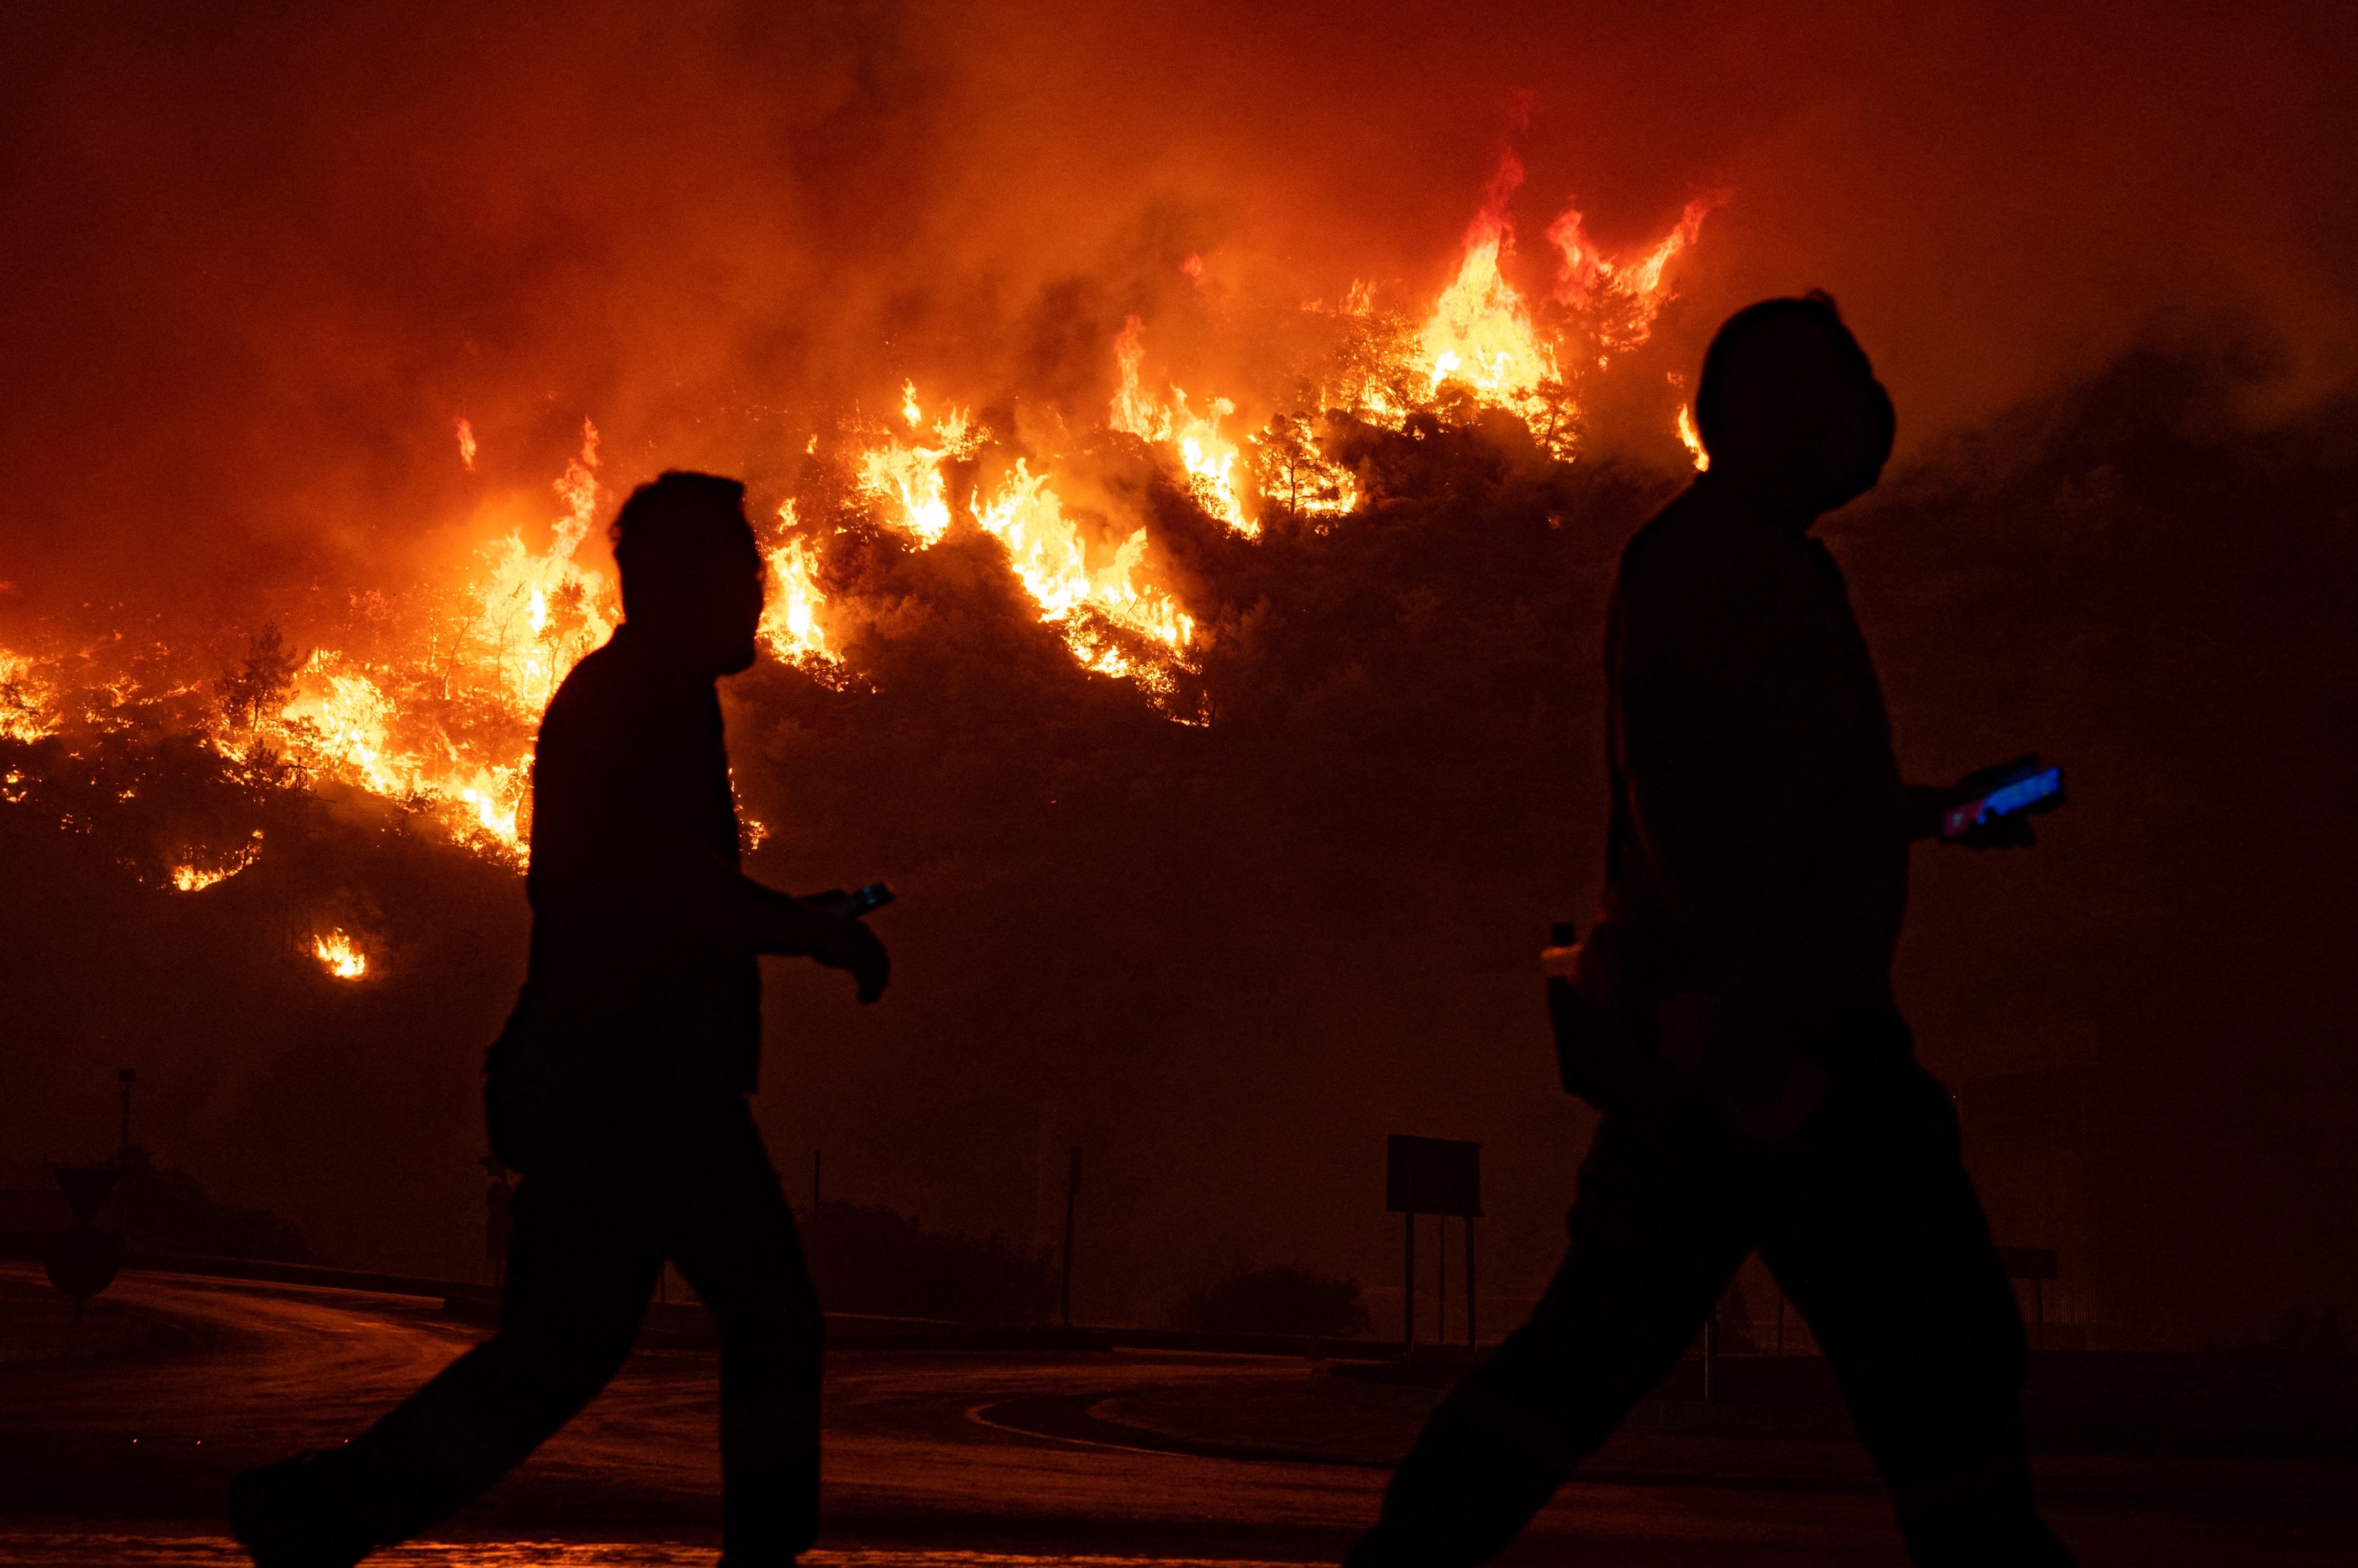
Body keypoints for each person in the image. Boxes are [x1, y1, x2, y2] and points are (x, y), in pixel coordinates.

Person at [1345, 296, 2075, 1566]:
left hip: (1752, 1043)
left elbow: (1783, 799)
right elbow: (1685, 803)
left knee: (1617, 1346)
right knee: (1922, 1348)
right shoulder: (1717, 564)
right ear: (1767, 418)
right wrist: (1749, 1029)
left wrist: (1933, 816)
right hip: (1765, 1050)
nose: (1863, 420)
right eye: (1836, 394)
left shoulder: (1755, 560)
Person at [230, 472, 890, 1568]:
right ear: (691, 582)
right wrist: (804, 932)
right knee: (762, 1325)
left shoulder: (649, 695)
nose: (764, 591)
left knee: (560, 1354)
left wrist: (787, 919)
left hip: (618, 1081)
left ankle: (318, 1515)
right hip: (635, 1086)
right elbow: (656, 883)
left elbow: (661, 886)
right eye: (746, 568)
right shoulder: (637, 701)